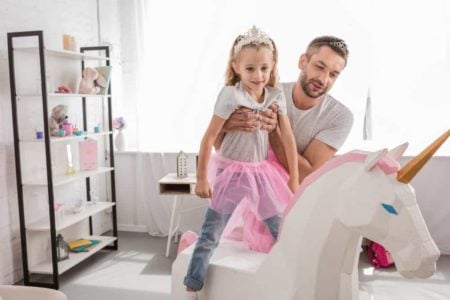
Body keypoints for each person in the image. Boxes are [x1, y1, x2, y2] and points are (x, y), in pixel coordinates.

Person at [182, 26, 299, 300]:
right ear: (236, 67)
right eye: (250, 69)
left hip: (262, 174)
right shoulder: (230, 95)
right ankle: (192, 284)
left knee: (280, 228)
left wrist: (293, 176)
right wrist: (202, 178)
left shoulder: (275, 94)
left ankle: (292, 279)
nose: (258, 76)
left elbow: (289, 137)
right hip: (232, 174)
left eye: (264, 68)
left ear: (272, 67)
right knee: (211, 234)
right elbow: (209, 137)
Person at [218, 36, 353, 250]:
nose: (324, 78)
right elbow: (223, 147)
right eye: (320, 67)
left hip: (299, 197)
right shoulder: (264, 90)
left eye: (333, 74)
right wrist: (227, 125)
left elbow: (308, 171)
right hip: (249, 190)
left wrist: (273, 133)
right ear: (303, 61)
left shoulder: (340, 117)